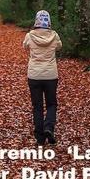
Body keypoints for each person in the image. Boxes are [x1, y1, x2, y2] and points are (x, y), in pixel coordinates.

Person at [23, 10, 62, 145]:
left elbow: (25, 47)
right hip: (51, 75)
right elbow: (59, 47)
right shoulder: (54, 35)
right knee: (51, 104)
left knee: (37, 106)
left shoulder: (30, 36)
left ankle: (40, 138)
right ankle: (49, 127)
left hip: (34, 75)